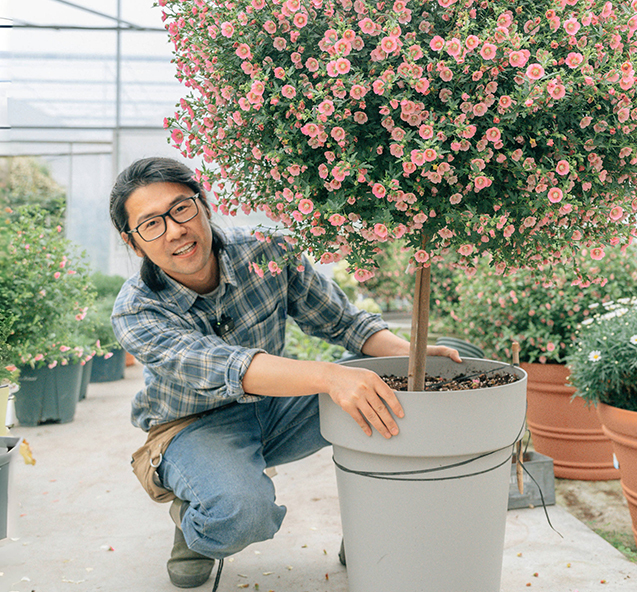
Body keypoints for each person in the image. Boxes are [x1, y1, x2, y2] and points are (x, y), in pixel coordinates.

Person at [109, 157, 460, 589]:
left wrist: (413, 359)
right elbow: (229, 366)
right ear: (134, 243)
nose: (175, 230)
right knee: (241, 514)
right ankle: (193, 519)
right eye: (152, 224)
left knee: (393, 396)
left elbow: (342, 322)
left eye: (181, 209)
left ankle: (373, 527)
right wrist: (331, 377)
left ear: (203, 205)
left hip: (277, 407)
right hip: (192, 426)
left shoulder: (265, 251)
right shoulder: (136, 309)